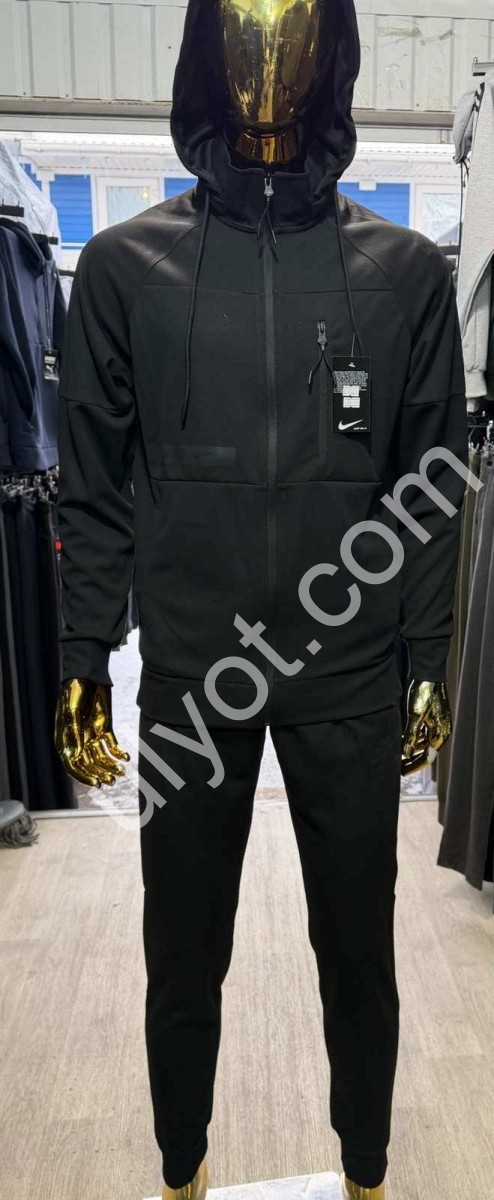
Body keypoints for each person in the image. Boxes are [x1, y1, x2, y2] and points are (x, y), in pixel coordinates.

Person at [55, 0, 468, 1196]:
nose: (266, 61)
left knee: (358, 952)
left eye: (293, 31)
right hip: (195, 666)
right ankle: (179, 1171)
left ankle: (367, 1173)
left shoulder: (402, 274)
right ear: (203, 51)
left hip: (348, 666)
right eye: (242, 29)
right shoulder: (125, 267)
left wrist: (427, 656)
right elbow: (93, 487)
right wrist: (86, 652)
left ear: (332, 54)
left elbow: (429, 482)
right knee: (181, 954)